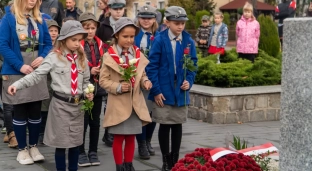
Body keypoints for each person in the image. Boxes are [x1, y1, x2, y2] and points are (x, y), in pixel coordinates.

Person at [7, 20, 93, 171]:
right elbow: (36, 75)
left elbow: (85, 81)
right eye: (74, 40)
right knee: (61, 145)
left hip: (78, 107)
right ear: (64, 39)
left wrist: (88, 92)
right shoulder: (54, 57)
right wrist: (17, 85)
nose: (77, 43)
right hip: (60, 107)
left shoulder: (82, 59)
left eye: (80, 40)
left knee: (75, 144)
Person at [0, 0, 53, 165]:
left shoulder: (39, 18)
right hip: (17, 69)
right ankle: (22, 150)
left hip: (36, 70)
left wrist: (43, 57)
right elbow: (3, 45)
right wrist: (20, 66)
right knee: (20, 110)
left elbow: (48, 44)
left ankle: (33, 146)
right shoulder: (8, 18)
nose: (33, 0)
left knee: (36, 110)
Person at [146, 6, 197, 171]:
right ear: (167, 22)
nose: (180, 26)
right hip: (163, 91)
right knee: (165, 125)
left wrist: (189, 81)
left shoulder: (188, 41)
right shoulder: (159, 40)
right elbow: (152, 67)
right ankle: (166, 160)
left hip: (180, 92)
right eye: (176, 23)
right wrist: (156, 91)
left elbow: (193, 65)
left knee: (177, 125)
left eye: (182, 23)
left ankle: (175, 159)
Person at [99, 17, 152, 171]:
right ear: (116, 35)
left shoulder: (137, 54)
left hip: (135, 103)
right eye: (125, 36)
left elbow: (141, 75)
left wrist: (145, 81)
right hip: (118, 104)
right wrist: (117, 87)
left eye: (132, 36)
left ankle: (129, 164)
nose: (129, 40)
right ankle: (119, 166)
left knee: (131, 136)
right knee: (119, 137)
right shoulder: (109, 56)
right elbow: (103, 80)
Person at [78, 12, 108, 167]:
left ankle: (93, 151)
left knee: (95, 122)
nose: (89, 31)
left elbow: (107, 62)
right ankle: (80, 151)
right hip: (83, 88)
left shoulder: (101, 45)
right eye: (86, 28)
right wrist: (89, 70)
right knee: (82, 122)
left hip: (98, 89)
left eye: (92, 28)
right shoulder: (77, 45)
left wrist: (101, 69)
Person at [96, 0, 126, 147]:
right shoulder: (103, 26)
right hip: (107, 65)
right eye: (115, 9)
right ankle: (108, 131)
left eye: (121, 9)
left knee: (118, 100)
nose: (118, 12)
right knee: (108, 100)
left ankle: (115, 131)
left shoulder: (128, 24)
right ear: (110, 9)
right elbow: (98, 43)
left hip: (123, 65)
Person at [134, 5, 158, 160]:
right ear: (139, 19)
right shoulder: (134, 35)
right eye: (143, 18)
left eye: (149, 18)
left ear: (154, 19)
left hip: (155, 77)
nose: (146, 21)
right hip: (138, 78)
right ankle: (141, 143)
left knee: (153, 113)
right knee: (141, 114)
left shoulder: (159, 35)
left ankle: (148, 140)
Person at [38, 19, 60, 144]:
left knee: (55, 105)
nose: (53, 33)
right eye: (50, 30)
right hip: (45, 79)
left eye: (55, 31)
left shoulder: (60, 44)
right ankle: (42, 132)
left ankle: (53, 131)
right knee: (44, 106)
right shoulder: (42, 45)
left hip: (56, 79)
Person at [1, 0, 17, 149]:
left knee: (13, 102)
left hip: (14, 66)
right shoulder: (5, 21)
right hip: (6, 66)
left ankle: (12, 131)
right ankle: (11, 133)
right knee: (7, 104)